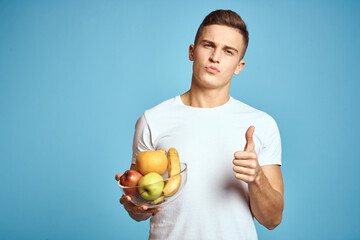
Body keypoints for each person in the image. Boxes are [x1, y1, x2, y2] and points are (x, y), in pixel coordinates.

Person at [115, 9, 284, 240]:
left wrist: (256, 178)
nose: (216, 57)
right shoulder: (153, 119)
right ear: (192, 52)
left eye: (228, 51)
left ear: (239, 66)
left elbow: (272, 220)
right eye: (208, 45)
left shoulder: (261, 124)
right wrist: (135, 206)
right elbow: (140, 204)